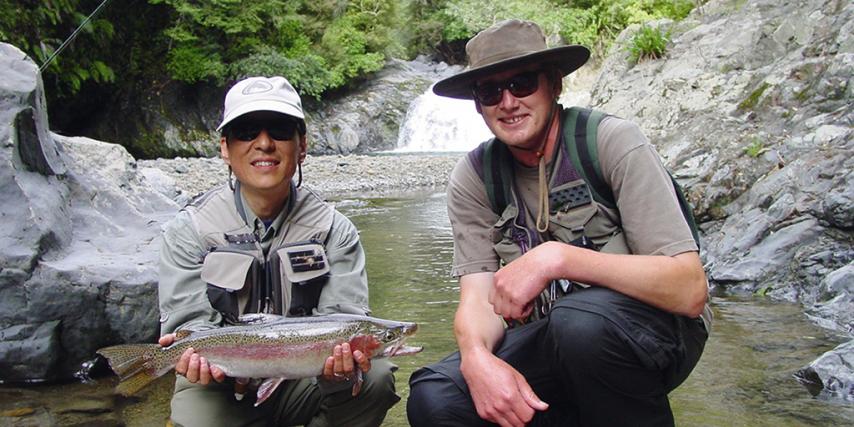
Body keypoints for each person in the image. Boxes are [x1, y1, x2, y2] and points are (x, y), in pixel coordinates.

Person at [407, 20, 710, 426]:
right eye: (490, 91)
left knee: (580, 327)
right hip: (557, 338)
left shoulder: (611, 142)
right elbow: (477, 299)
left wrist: (556, 259)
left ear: (554, 85)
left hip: (655, 335)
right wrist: (476, 358)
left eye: (523, 83)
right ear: (478, 105)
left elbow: (688, 289)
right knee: (435, 397)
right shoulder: (475, 176)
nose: (508, 102)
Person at [157, 76, 400, 427]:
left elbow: (344, 320)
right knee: (197, 418)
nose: (265, 143)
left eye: (281, 130)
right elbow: (188, 325)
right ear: (225, 148)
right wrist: (198, 357)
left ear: (302, 146)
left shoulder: (335, 230)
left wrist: (340, 361)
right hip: (221, 383)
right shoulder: (189, 230)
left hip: (305, 378)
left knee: (374, 378)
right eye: (247, 131)